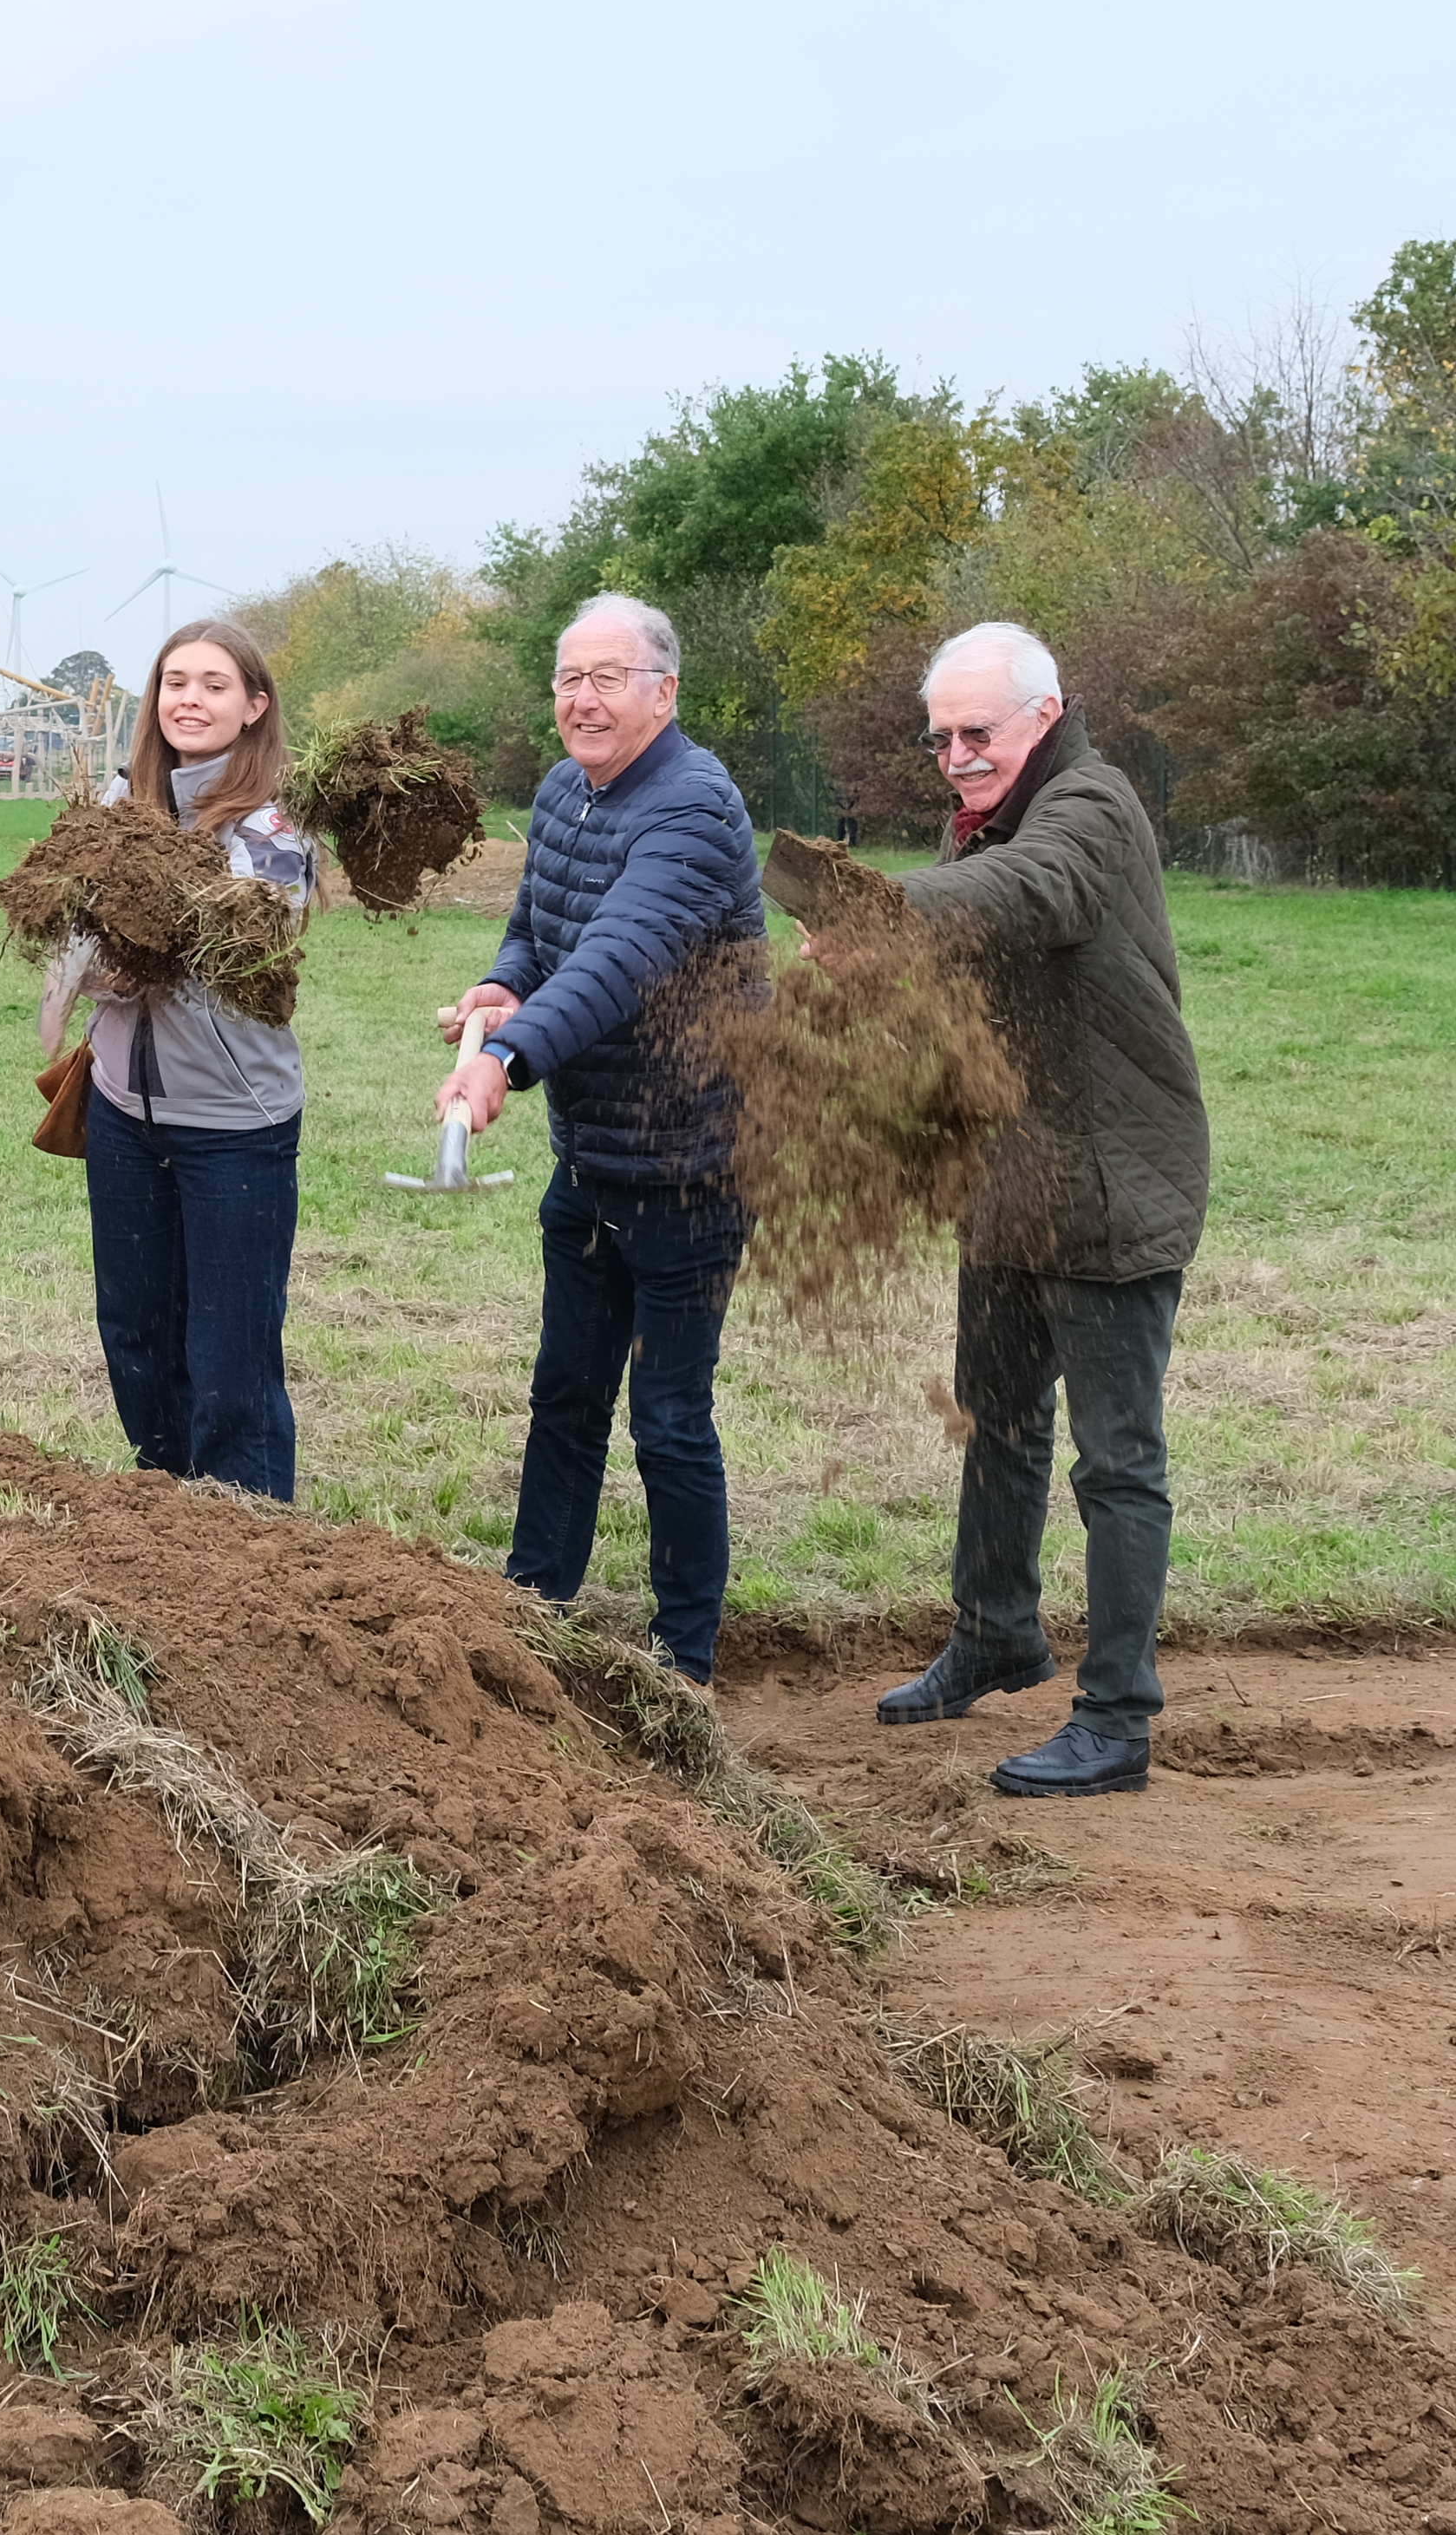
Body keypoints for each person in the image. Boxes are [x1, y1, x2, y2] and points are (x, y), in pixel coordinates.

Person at [780, 622, 1211, 1800]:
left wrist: (877, 910)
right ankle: (994, 1633)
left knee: (1116, 1462)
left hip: (1117, 1180)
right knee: (998, 1419)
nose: (959, 755)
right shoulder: (985, 816)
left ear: (1046, 711)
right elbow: (972, 949)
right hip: (1012, 1175)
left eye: (980, 732)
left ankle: (1117, 1717)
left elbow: (1033, 891)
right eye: (942, 737)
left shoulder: (1089, 805)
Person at [439, 591, 766, 1679]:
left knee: (668, 1417)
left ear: (662, 692)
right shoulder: (566, 792)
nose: (582, 698)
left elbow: (617, 959)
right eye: (568, 678)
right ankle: (531, 1610)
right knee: (565, 1394)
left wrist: (507, 1057)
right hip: (593, 1160)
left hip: (690, 1169)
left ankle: (685, 1661)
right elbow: (543, 927)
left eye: (607, 677)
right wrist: (498, 986)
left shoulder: (692, 811)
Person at [60, 617, 317, 1497]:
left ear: (252, 706)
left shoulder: (277, 822)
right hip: (124, 1116)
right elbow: (68, 930)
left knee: (230, 1356)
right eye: (175, 682)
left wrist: (146, 926)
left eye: (213, 684)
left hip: (233, 1126)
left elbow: (256, 933)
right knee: (134, 1338)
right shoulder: (114, 807)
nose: (190, 700)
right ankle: (166, 1523)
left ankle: (247, 1546)